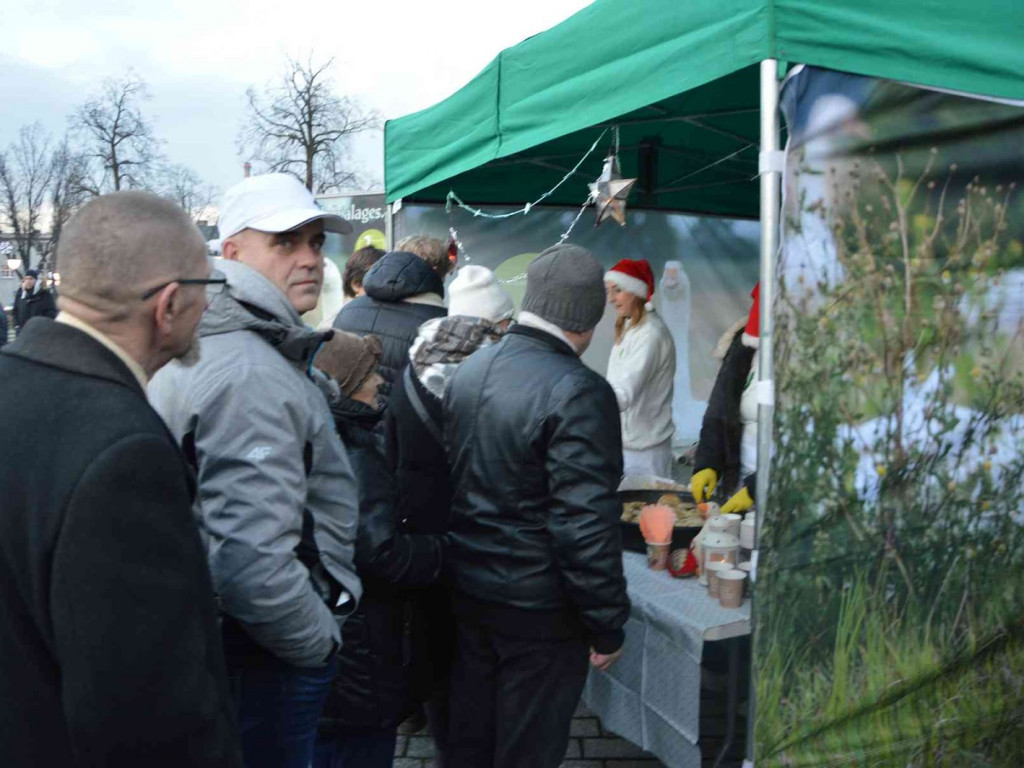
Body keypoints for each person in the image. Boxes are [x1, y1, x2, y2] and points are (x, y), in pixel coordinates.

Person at [0, 191, 241, 767]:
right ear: (168, 305)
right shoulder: (125, 453)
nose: (209, 308)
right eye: (206, 289)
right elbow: (147, 719)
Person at [148, 173, 363, 768]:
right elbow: (249, 560)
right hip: (261, 649)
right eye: (286, 242)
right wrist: (314, 642)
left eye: (316, 242)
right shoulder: (247, 368)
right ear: (233, 252)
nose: (309, 258)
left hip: (232, 640)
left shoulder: (229, 342)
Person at [443, 244, 630, 768]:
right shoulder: (579, 389)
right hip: (537, 610)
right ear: (588, 318)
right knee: (526, 749)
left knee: (473, 742)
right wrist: (607, 621)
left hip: (469, 590)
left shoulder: (472, 368)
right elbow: (584, 522)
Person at [386, 264, 515, 761]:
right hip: (476, 538)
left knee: (437, 655)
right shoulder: (493, 377)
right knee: (476, 660)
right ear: (497, 323)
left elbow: (393, 452)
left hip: (423, 538)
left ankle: (449, 749)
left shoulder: (414, 359)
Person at [312, 330, 446, 768]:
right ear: (346, 385)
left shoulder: (327, 431)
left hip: (341, 636)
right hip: (361, 645)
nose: (381, 382)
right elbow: (379, 550)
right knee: (358, 748)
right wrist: (442, 552)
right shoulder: (354, 449)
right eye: (369, 373)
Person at [333, 235, 452, 402]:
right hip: (403, 426)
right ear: (438, 273)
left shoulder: (348, 312)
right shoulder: (443, 326)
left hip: (347, 421)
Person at [604, 258, 677, 479]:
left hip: (646, 455)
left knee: (647, 512)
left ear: (635, 291)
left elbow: (623, 394)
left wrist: (582, 402)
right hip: (629, 448)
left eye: (617, 291)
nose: (611, 299)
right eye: (608, 291)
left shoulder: (649, 335)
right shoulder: (631, 327)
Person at [690, 283, 760, 513]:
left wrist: (757, 487)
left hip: (779, 487)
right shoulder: (744, 348)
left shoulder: (805, 361)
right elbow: (719, 409)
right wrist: (707, 463)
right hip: (738, 479)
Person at [12, 268, 57, 335]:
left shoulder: (44, 294)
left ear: (36, 280)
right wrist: (17, 326)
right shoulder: (20, 294)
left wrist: (44, 327)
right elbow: (15, 310)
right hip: (22, 332)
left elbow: (51, 313)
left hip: (39, 333)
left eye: (31, 279)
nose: (28, 281)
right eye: (26, 279)